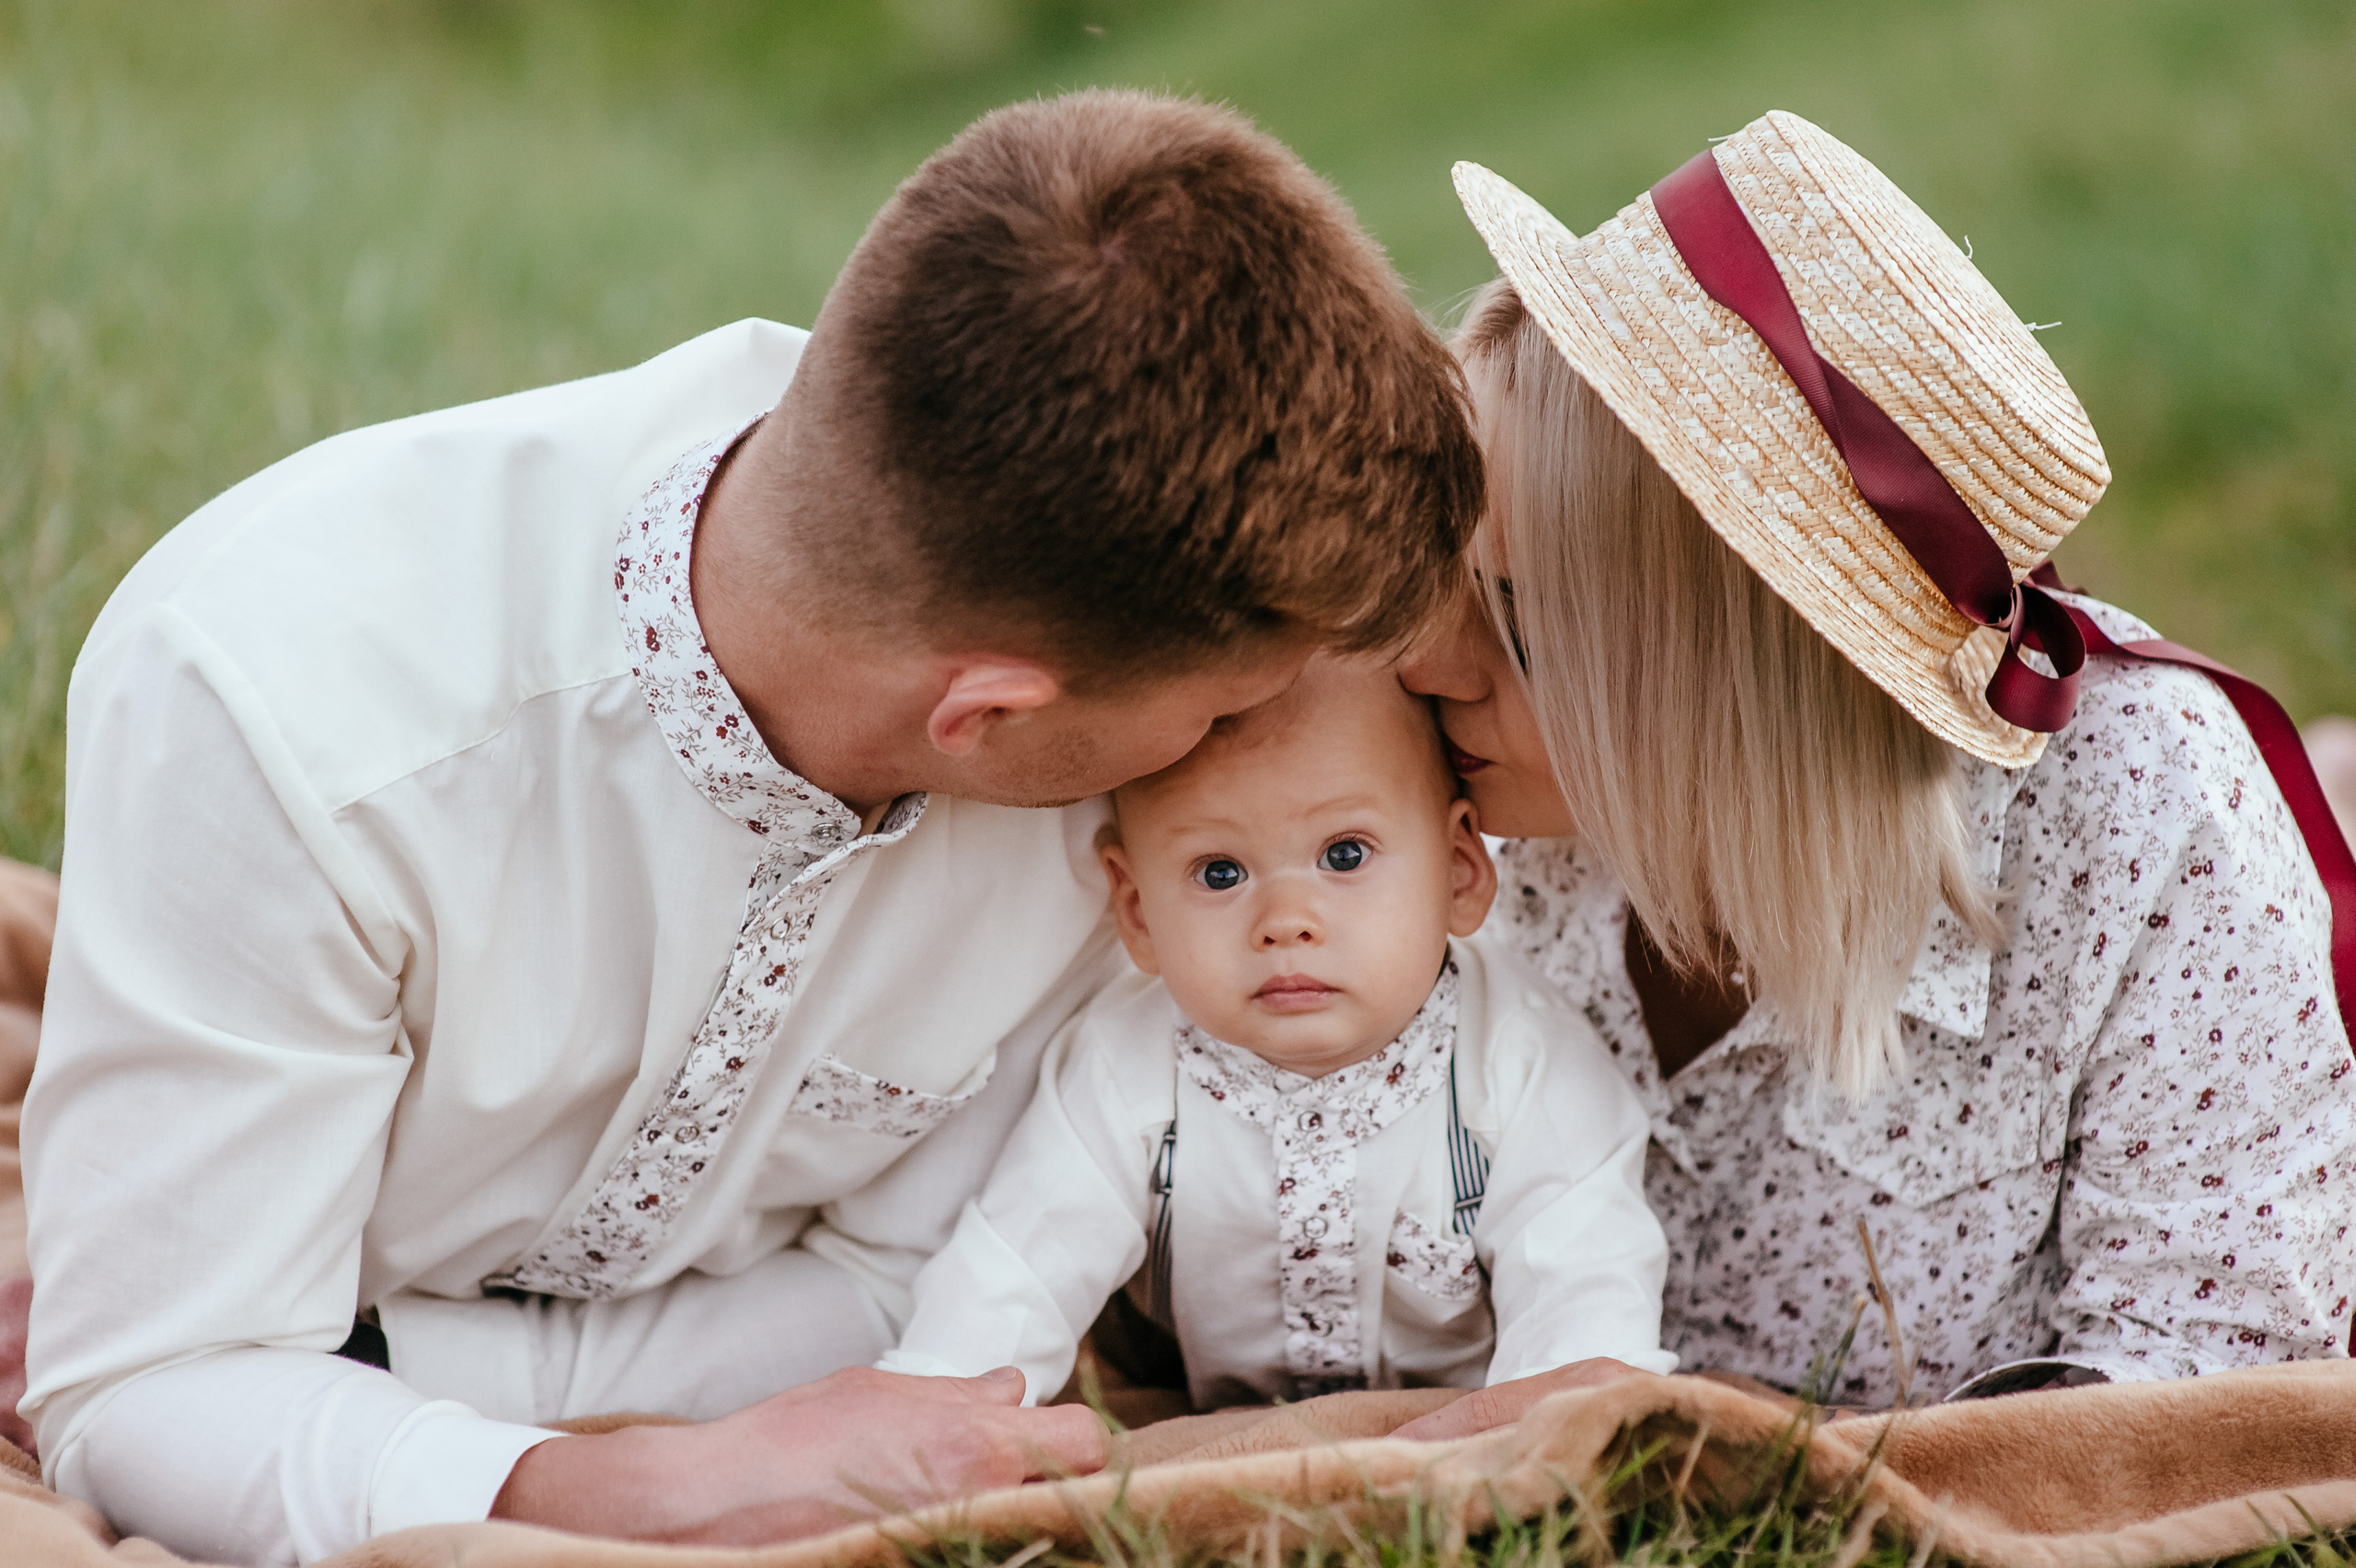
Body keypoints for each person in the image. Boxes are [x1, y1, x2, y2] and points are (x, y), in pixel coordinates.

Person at [17, 90, 1484, 1563]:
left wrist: (389, 1381)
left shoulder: (1123, 780)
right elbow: (142, 1394)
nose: (1257, 745)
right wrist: (640, 1491)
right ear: (989, 715)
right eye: (1235, 702)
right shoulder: (286, 710)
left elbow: (903, 1290)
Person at [1394, 110, 2356, 1439]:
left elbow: (2211, 1377)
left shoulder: (2141, 829)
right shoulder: (1444, 813)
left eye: (1518, 622)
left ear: (1741, 678)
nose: (1426, 662)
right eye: (1448, 576)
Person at [878, 659, 1673, 1410]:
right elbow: (1019, 1267)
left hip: (1458, 1425)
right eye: (1220, 873)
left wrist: (1559, 1433)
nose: (1285, 923)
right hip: (1215, 1422)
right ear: (1138, 911)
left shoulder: (1523, 1059)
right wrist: (945, 1403)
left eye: (1345, 855)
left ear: (1461, 868)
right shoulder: (1126, 1066)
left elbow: (1582, 1278)